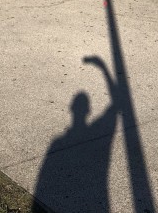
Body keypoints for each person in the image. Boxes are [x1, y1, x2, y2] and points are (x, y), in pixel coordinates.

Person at [33, 56, 119, 213]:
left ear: (71, 109)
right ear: (88, 110)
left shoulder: (57, 143)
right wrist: (104, 69)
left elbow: (42, 181)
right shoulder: (99, 131)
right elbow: (117, 104)